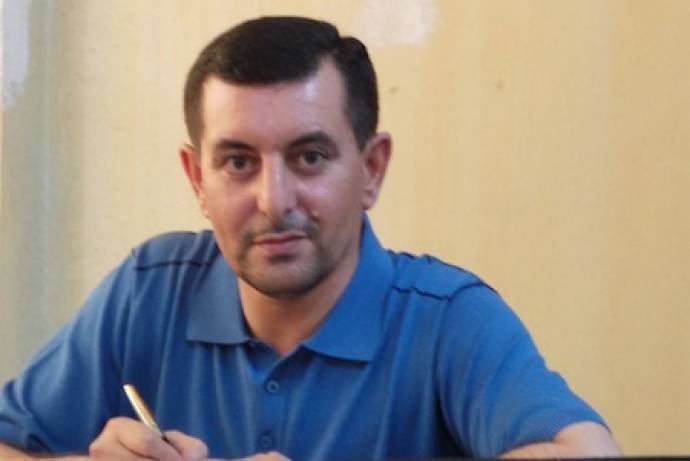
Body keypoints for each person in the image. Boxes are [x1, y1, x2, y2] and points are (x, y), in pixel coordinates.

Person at [0, 16, 621, 461]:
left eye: (310, 157)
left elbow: (587, 450)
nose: (274, 200)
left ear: (371, 169)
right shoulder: (148, 291)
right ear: (197, 179)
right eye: (238, 162)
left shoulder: (445, 318)